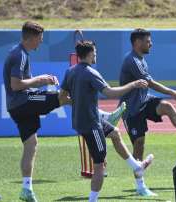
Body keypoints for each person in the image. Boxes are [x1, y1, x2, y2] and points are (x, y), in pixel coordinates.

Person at [59, 40, 154, 202]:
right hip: (91, 125)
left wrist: (79, 101)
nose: (96, 55)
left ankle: (136, 166)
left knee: (115, 133)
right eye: (94, 53)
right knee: (99, 166)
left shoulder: (70, 71)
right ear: (89, 54)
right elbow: (110, 93)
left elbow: (62, 98)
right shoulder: (90, 72)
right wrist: (134, 84)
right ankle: (92, 199)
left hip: (81, 121)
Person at [119, 28, 176, 196]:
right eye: (147, 41)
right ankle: (140, 186)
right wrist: (171, 92)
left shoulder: (141, 59)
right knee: (139, 145)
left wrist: (169, 96)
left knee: (167, 107)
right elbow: (150, 82)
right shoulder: (132, 60)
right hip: (131, 109)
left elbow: (147, 84)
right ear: (137, 42)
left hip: (144, 101)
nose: (151, 43)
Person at [3, 21, 71, 202]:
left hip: (17, 106)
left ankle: (27, 189)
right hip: (22, 102)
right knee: (61, 97)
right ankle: (103, 116)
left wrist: (40, 80)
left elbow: (22, 82)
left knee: (31, 144)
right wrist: (40, 80)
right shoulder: (20, 55)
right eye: (39, 39)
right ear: (31, 38)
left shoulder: (19, 52)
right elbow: (16, 85)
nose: (40, 42)